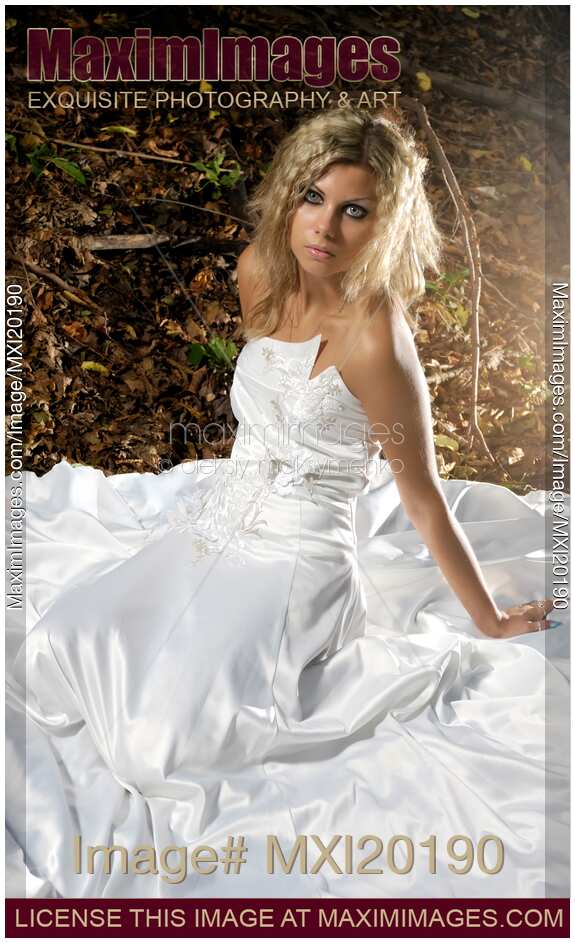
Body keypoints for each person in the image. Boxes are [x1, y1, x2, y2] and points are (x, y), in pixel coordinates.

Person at [6, 106, 569, 900]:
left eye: (355, 209)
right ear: (290, 196)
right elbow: (263, 409)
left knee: (158, 744)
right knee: (65, 643)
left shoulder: (378, 342)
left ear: (386, 224)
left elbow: (422, 497)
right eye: (314, 196)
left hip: (298, 563)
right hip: (217, 523)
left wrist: (486, 618)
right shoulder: (258, 273)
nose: (326, 227)